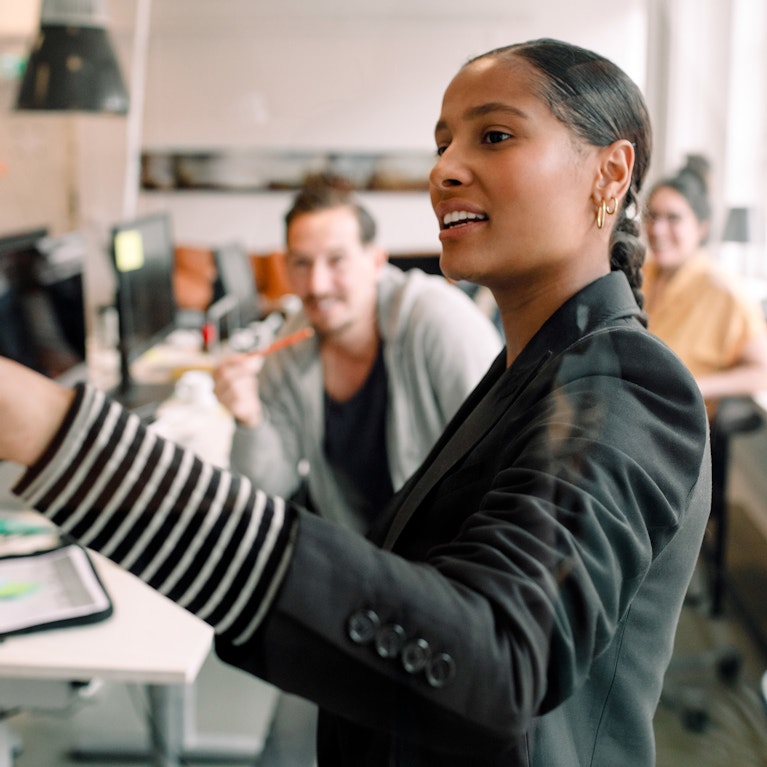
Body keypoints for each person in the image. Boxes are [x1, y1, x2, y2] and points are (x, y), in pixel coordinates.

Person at [0, 38, 710, 767]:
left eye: (493, 136)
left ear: (610, 172)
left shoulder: (627, 381)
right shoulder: (529, 371)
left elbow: (496, 661)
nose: (442, 170)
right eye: (441, 144)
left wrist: (59, 435)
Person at [213, 182, 503, 533]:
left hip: (447, 550)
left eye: (336, 261)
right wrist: (249, 418)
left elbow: (501, 461)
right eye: (301, 263)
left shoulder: (438, 321)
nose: (317, 284)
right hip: (358, 555)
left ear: (376, 261)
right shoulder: (289, 344)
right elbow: (265, 492)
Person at [642, 154, 767, 415]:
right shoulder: (639, 272)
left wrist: (693, 387)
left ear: (701, 227)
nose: (657, 229)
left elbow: (762, 371)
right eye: (652, 216)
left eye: (673, 218)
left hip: (676, 430)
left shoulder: (724, 293)